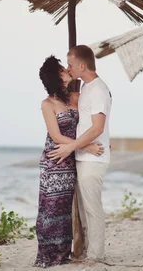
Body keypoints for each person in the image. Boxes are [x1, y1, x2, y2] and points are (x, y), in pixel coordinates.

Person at [34, 55, 103, 268]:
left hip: (71, 158)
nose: (66, 70)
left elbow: (97, 107)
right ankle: (49, 256)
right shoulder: (48, 104)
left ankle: (63, 254)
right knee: (51, 207)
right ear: (55, 76)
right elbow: (56, 137)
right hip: (55, 160)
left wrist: (103, 139)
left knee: (64, 209)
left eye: (66, 67)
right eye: (62, 68)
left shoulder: (74, 97)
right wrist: (87, 146)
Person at [48, 45, 112, 261]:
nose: (68, 69)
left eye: (71, 65)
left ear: (82, 65)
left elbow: (97, 128)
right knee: (85, 210)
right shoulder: (86, 88)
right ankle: (87, 251)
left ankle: (96, 256)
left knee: (93, 209)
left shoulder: (99, 90)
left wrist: (71, 146)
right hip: (84, 157)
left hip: (93, 158)